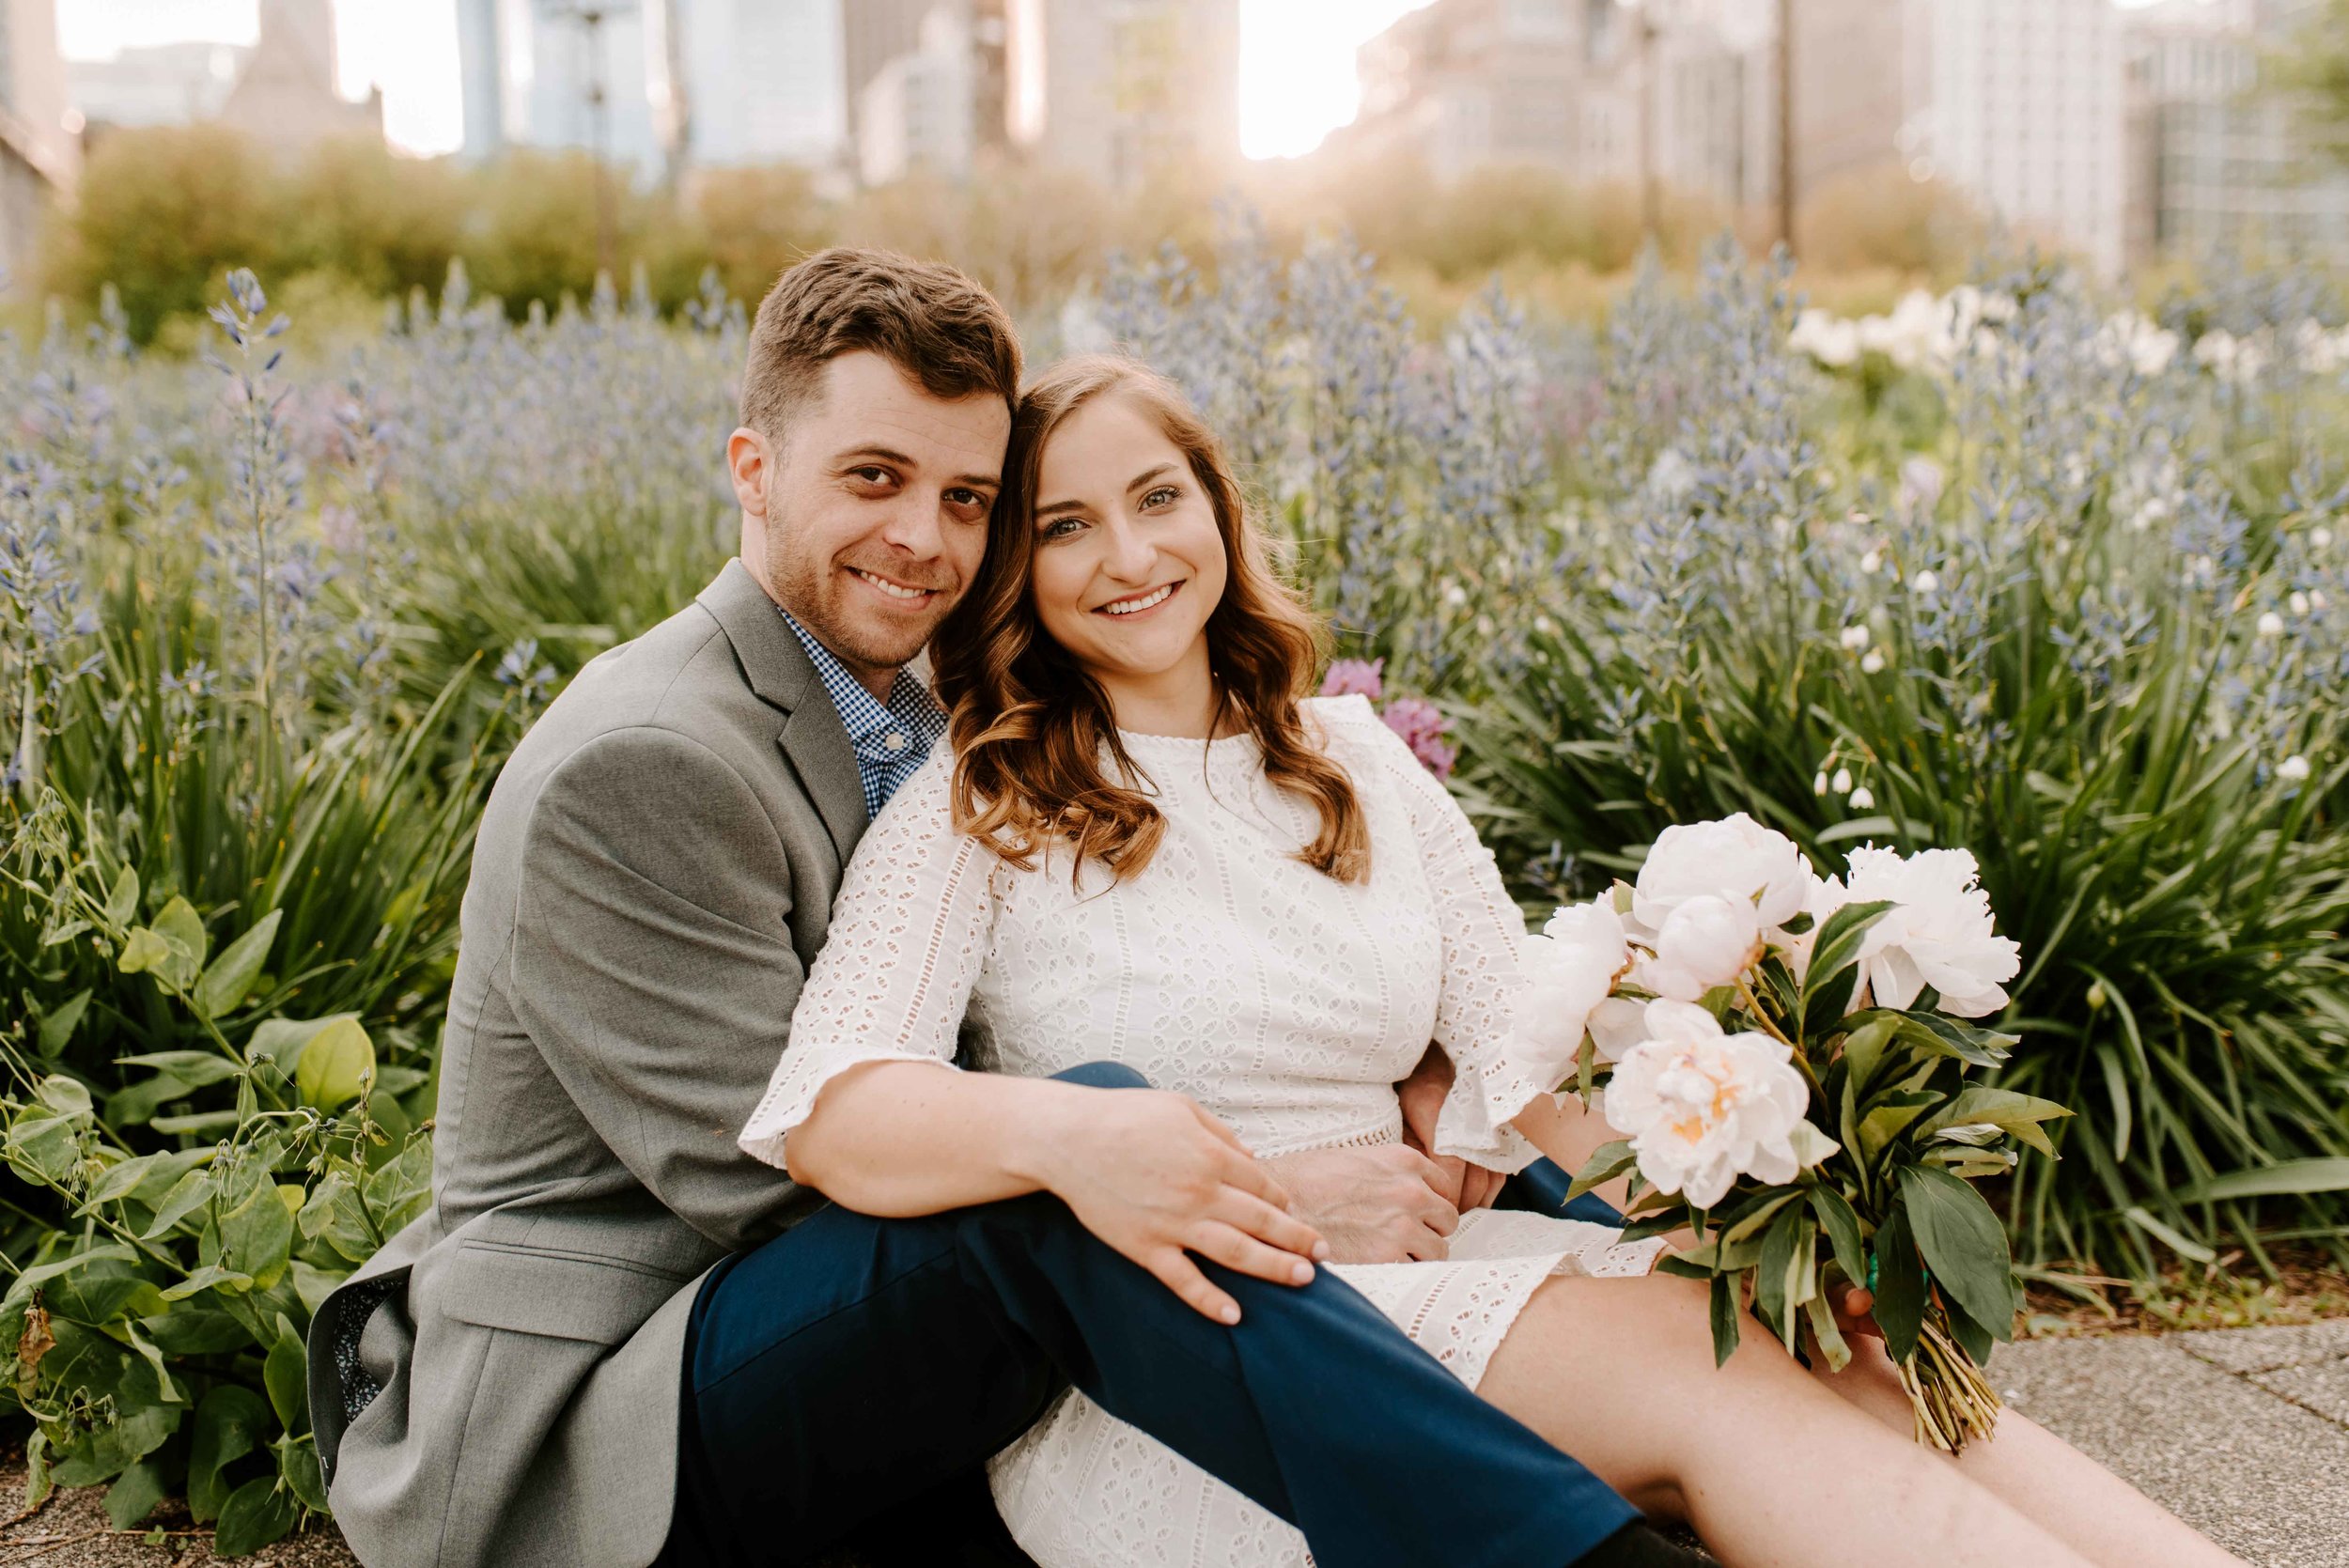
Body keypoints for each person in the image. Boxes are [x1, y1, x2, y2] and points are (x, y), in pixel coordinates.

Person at [304, 248, 1711, 1568]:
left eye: (967, 496)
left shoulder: (896, 699)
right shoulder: (647, 762)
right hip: (602, 1407)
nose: (923, 538)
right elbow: (777, 1174)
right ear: (752, 468)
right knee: (1064, 1172)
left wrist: (1416, 1073)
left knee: (1165, 1143)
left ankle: (1706, 1301)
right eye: (872, 476)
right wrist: (1272, 1186)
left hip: (825, 1332)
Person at [739, 349, 2255, 1568]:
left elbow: (1530, 1053)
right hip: (1208, 1356)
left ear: (1218, 507)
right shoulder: (984, 794)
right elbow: (836, 1105)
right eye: (1065, 526)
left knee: (1809, 1337)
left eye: (1158, 498)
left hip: (1433, 1261)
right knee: (1701, 1370)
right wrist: (1129, 1150)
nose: (1129, 555)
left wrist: (1763, 1212)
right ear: (1017, 569)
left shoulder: (1346, 756)